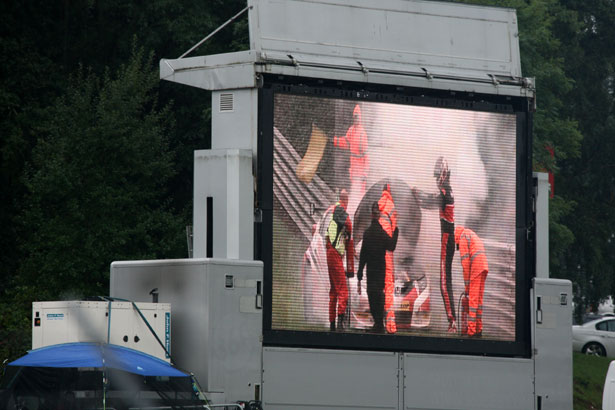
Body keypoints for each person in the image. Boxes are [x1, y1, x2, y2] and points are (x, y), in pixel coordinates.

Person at [412, 156, 457, 333]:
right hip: (447, 238)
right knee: (445, 281)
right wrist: (418, 197)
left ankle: (452, 322)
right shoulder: (447, 190)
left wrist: (417, 193)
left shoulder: (446, 191)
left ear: (444, 174)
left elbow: (431, 201)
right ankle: (452, 321)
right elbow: (430, 201)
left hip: (447, 238)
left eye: (438, 174)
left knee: (444, 282)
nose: (436, 178)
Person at [357, 202, 399, 333]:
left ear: (371, 215)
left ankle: (377, 323)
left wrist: (359, 274)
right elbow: (391, 246)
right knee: (380, 295)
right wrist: (396, 231)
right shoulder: (381, 233)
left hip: (371, 271)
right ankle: (380, 324)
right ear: (379, 215)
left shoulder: (367, 233)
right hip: (380, 271)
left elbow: (363, 255)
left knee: (372, 296)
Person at [326, 189, 355, 331]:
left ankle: (332, 324)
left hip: (329, 253)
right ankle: (340, 325)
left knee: (334, 291)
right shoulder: (344, 215)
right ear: (347, 201)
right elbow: (349, 233)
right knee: (343, 291)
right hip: (335, 255)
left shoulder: (331, 210)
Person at [334, 104, 369, 215]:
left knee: (360, 193)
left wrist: (365, 173)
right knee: (352, 191)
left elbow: (366, 157)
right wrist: (334, 141)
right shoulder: (351, 130)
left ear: (360, 117)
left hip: (360, 169)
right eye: (354, 116)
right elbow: (345, 142)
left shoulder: (362, 134)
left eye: (357, 116)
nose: (356, 118)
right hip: (353, 168)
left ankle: (359, 213)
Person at [454, 226, 489, 338]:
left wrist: (467, 286)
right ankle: (479, 329)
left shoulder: (463, 237)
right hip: (483, 267)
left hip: (476, 267)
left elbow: (465, 265)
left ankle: (472, 331)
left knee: (472, 302)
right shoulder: (470, 233)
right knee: (478, 300)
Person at [377, 183, 398, 334]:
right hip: (387, 252)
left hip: (376, 251)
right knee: (389, 286)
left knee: (378, 287)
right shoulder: (391, 206)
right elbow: (395, 228)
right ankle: (390, 325)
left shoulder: (378, 204)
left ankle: (378, 322)